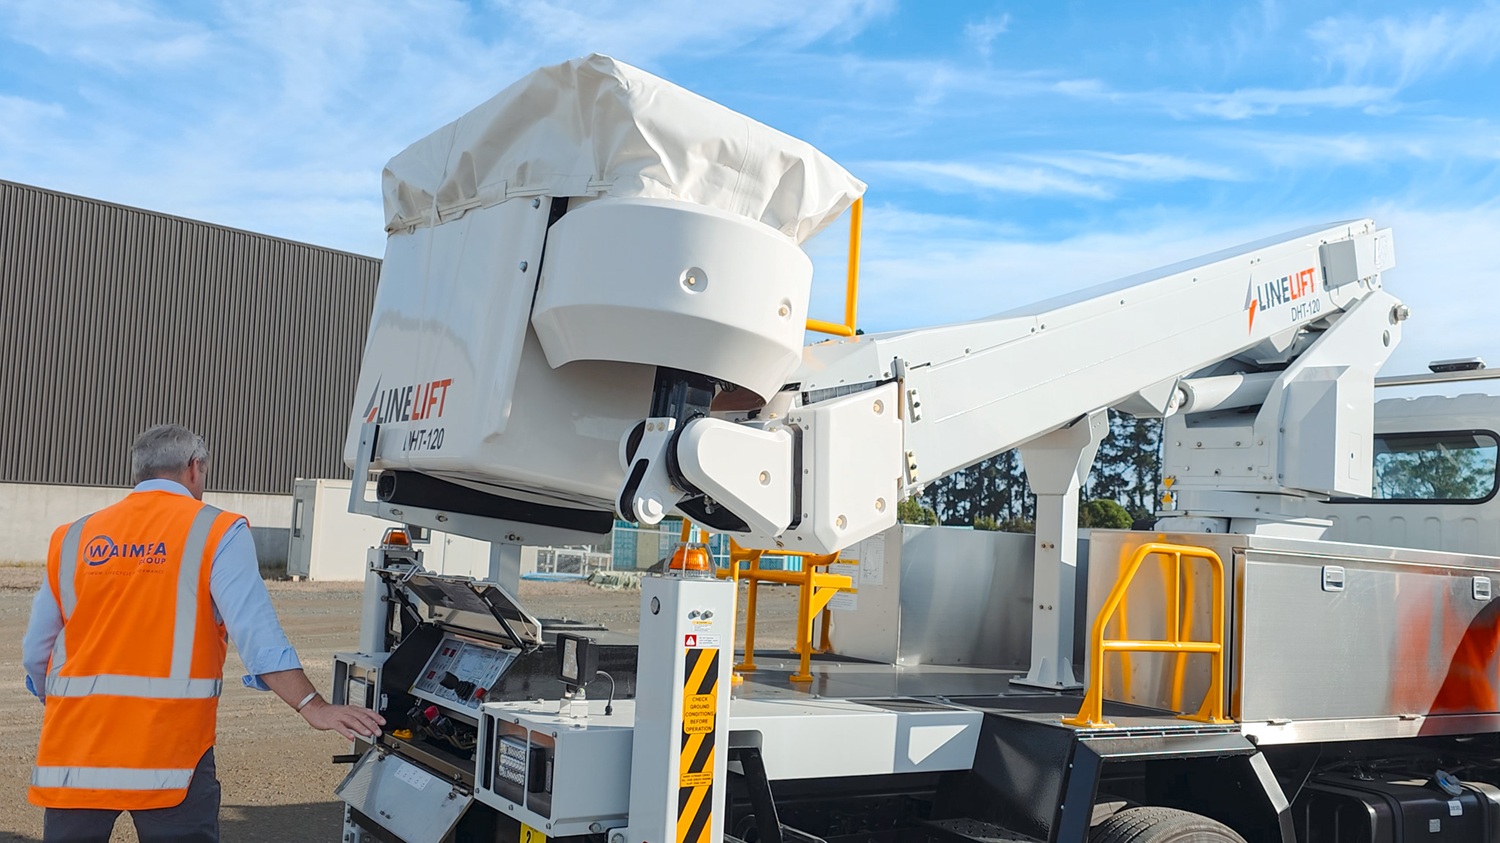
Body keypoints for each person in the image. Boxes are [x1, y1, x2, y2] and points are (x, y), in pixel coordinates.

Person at [22, 424, 385, 842]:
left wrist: (60, 699)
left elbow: (37, 649)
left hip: (75, 749)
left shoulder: (72, 536)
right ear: (194, 468)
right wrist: (312, 705)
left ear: (139, 472)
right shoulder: (216, 530)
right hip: (169, 755)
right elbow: (258, 636)